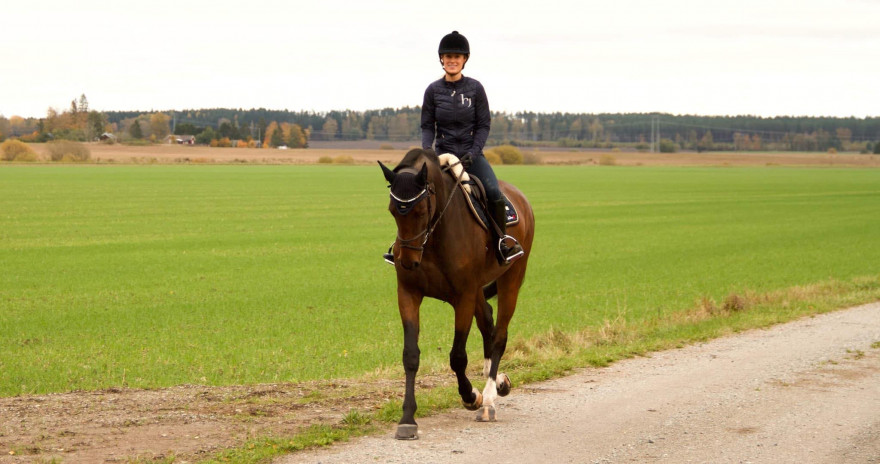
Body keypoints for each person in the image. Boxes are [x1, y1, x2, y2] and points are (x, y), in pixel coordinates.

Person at [384, 30, 523, 266]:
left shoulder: (476, 89)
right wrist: (427, 151)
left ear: (465, 59)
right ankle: (399, 245)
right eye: (447, 56)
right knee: (413, 195)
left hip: (471, 155)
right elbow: (427, 126)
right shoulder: (432, 91)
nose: (452, 60)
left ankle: (502, 242)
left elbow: (483, 125)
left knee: (493, 193)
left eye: (456, 57)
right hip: (441, 156)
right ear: (441, 59)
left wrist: (474, 151)